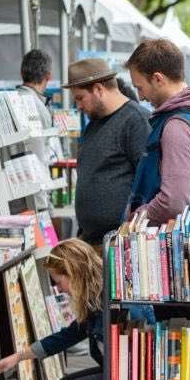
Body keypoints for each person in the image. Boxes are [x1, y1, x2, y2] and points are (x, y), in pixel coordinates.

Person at [0, 239, 153, 380]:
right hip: (118, 370)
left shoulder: (114, 302)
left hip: (134, 375)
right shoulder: (95, 301)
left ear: (74, 273)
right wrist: (18, 357)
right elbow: (66, 336)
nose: (59, 289)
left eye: (59, 282)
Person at [125, 38, 190, 225]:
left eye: (140, 87)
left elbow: (173, 204)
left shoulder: (178, 126)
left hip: (180, 241)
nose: (141, 97)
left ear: (158, 79)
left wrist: (135, 219)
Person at [63, 59, 149, 248]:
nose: (78, 106)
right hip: (91, 240)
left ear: (99, 89)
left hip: (120, 243)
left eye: (80, 98)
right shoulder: (93, 124)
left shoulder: (136, 122)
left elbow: (149, 185)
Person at [16, 50, 55, 213]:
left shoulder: (10, 100)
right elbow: (38, 159)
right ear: (48, 76)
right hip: (35, 201)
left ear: (21, 72)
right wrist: (45, 205)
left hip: (12, 195)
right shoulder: (37, 107)